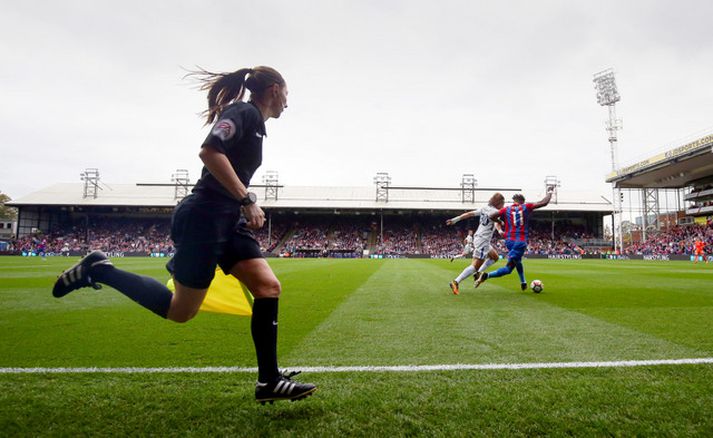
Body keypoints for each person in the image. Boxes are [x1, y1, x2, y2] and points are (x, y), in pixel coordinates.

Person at [52, 66, 316, 404]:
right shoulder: (244, 113)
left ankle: (268, 382)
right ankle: (99, 269)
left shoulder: (257, 126)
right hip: (205, 216)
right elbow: (209, 151)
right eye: (287, 95)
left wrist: (239, 203)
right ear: (275, 89)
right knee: (181, 312)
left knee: (268, 288)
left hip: (226, 218)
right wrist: (246, 198)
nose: (288, 104)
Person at [475, 187, 554, 290]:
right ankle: (487, 276)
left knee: (516, 261)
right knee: (508, 268)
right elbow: (544, 202)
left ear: (514, 201)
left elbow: (491, 216)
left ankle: (523, 282)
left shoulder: (506, 209)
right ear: (522, 202)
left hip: (509, 241)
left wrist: (499, 222)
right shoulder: (526, 207)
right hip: (520, 241)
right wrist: (550, 192)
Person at [446, 193, 505, 295]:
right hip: (483, 240)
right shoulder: (496, 211)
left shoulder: (484, 208)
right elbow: (494, 218)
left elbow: (469, 214)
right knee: (475, 266)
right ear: (498, 203)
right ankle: (455, 281)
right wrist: (501, 221)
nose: (503, 206)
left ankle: (478, 274)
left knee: (495, 257)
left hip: (481, 238)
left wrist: (455, 220)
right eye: (502, 203)